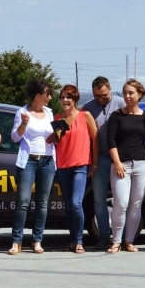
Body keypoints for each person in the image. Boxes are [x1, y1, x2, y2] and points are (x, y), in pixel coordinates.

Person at [8, 79, 57, 255]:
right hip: (28, 161)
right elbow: (15, 137)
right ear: (38, 95)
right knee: (23, 202)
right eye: (47, 94)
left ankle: (37, 240)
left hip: (47, 161)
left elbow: (53, 136)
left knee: (42, 203)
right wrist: (24, 123)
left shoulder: (49, 113)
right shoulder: (22, 112)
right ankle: (16, 241)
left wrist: (59, 133)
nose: (49, 98)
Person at [105, 80, 145, 254]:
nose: (127, 96)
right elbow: (110, 140)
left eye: (131, 93)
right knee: (121, 203)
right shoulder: (117, 115)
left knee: (136, 204)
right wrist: (117, 162)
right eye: (125, 92)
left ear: (139, 95)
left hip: (141, 164)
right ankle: (116, 241)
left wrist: (141, 153)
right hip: (121, 165)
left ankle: (129, 241)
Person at [53, 84, 99, 254]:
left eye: (69, 97)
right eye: (62, 97)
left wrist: (94, 163)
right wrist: (55, 134)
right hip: (62, 166)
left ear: (75, 100)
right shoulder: (57, 118)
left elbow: (96, 139)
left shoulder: (84, 115)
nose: (65, 100)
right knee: (68, 206)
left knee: (76, 203)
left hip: (80, 165)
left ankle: (79, 241)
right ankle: (72, 240)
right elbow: (54, 141)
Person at [82, 77, 126, 250]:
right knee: (99, 200)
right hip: (98, 159)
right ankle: (104, 236)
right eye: (96, 96)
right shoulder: (88, 108)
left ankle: (121, 237)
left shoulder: (122, 104)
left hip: (119, 159)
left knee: (121, 199)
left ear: (110, 89)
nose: (100, 99)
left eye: (104, 95)